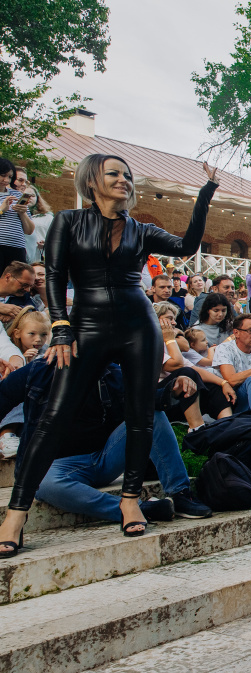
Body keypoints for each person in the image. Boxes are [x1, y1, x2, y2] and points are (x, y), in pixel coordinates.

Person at [1, 156, 218, 556]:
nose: (124, 179)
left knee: (139, 416)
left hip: (139, 325)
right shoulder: (69, 221)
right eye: (114, 173)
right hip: (85, 325)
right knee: (54, 414)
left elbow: (187, 247)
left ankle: (131, 498)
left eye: (128, 174)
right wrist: (61, 327)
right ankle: (16, 513)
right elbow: (54, 274)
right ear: (91, 181)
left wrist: (205, 195)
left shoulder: (140, 229)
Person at [0, 357, 212, 524]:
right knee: (45, 483)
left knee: (152, 414)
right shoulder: (38, 371)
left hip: (104, 458)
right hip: (56, 466)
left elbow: (147, 398)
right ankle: (139, 508)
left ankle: (181, 493)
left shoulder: (110, 372)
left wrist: (174, 386)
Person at [0, 158, 31, 269]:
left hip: (17, 247)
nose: (6, 180)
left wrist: (22, 213)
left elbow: (29, 230)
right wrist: (1, 210)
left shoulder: (17, 195)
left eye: (9, 176)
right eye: (3, 175)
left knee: (16, 282)